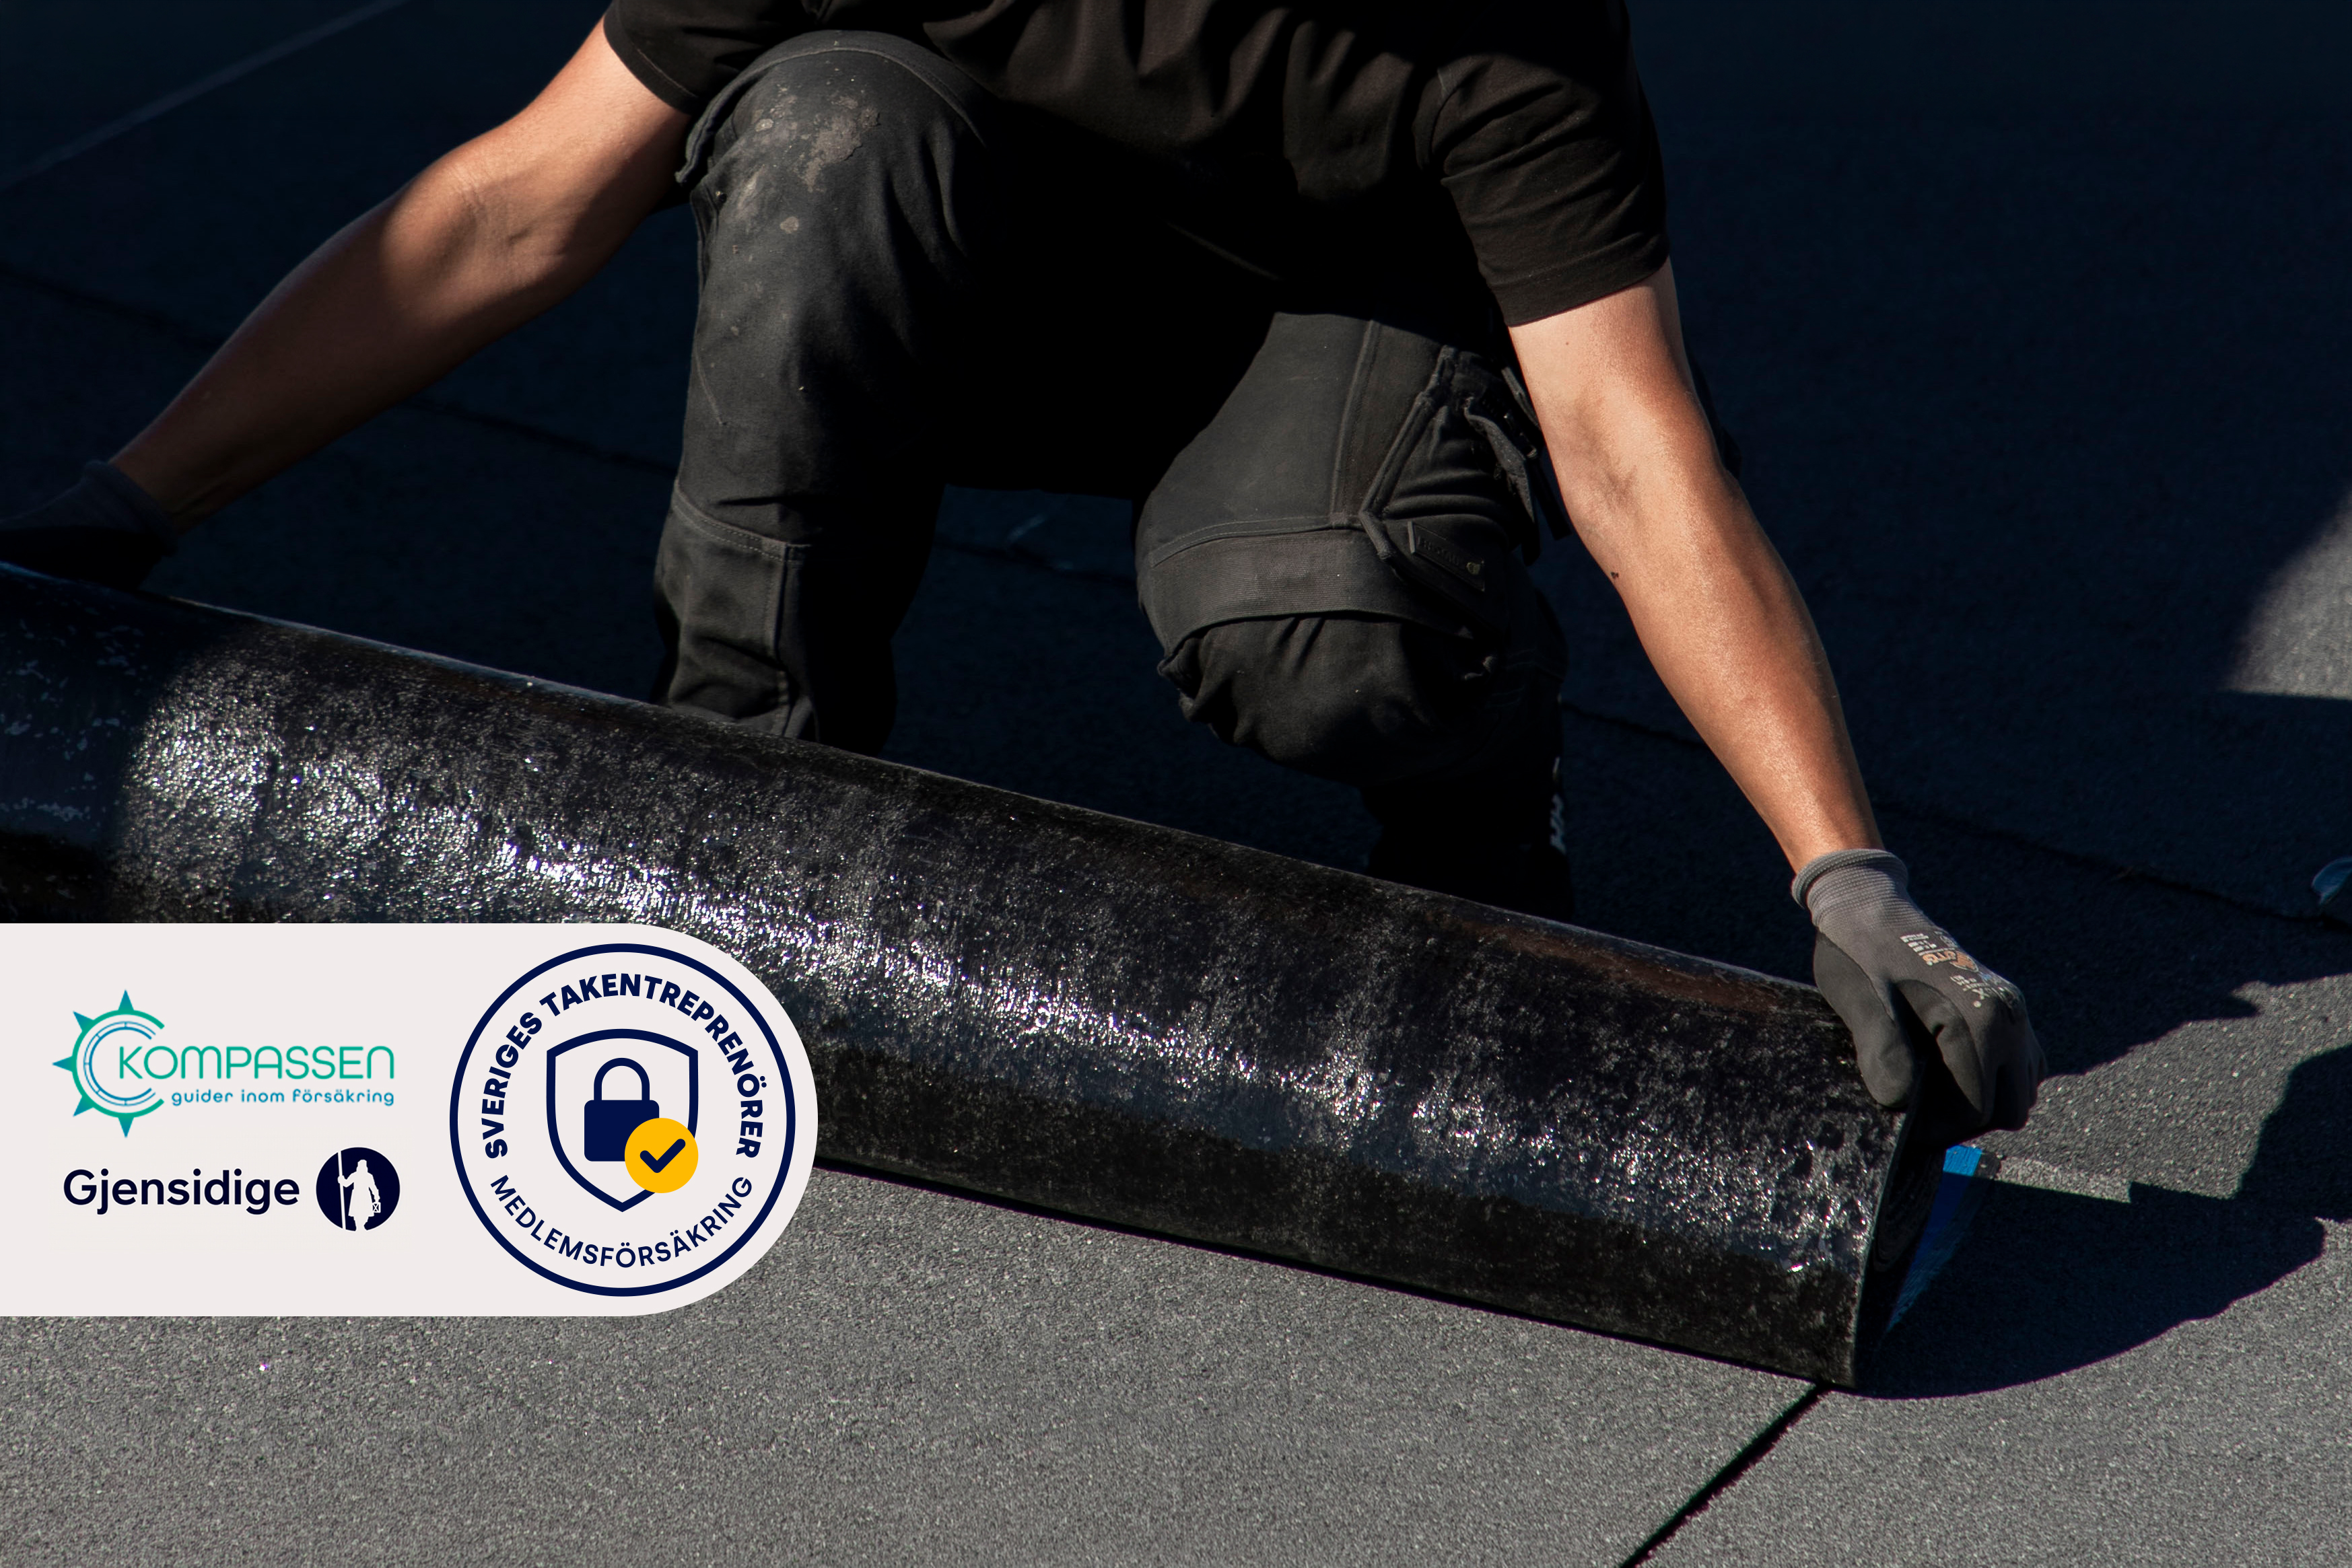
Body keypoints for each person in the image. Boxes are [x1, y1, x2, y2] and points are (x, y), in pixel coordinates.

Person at [0, 1, 2040, 1135]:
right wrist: (125, 506)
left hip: (1334, 352)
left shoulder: (1489, 15)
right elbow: (514, 207)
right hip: (1006, 304)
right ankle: (747, 788)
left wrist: (1844, 874)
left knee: (1317, 623)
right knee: (824, 130)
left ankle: (1481, 799)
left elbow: (1630, 442)